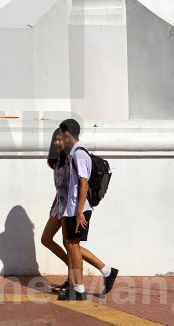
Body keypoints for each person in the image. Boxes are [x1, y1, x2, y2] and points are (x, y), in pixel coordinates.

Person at [40, 128, 110, 294]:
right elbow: (60, 188)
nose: (57, 143)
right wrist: (53, 205)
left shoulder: (72, 159)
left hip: (70, 207)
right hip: (59, 206)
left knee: (71, 245)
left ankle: (78, 281)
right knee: (47, 239)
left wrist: (78, 210)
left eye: (60, 139)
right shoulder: (57, 161)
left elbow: (79, 185)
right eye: (54, 140)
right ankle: (102, 269)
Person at [57, 118, 118, 300]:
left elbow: (84, 183)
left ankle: (80, 290)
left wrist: (79, 211)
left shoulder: (79, 153)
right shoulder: (74, 152)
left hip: (78, 208)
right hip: (73, 208)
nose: (60, 137)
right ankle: (82, 286)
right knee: (72, 246)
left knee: (73, 246)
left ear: (66, 133)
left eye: (61, 134)